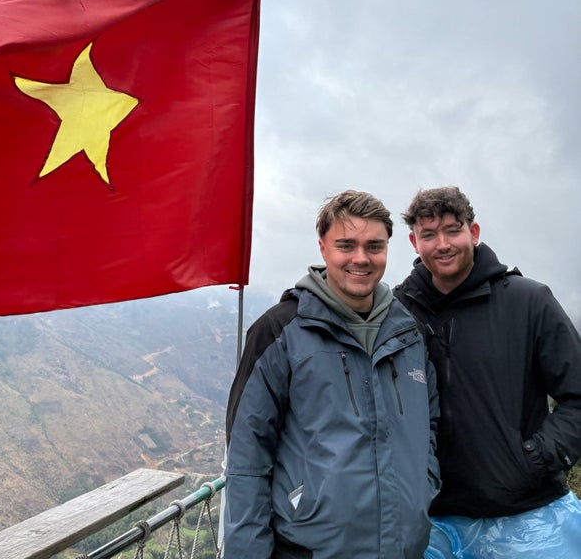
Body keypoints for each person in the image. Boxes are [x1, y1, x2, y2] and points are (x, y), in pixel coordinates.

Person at [223, 190, 440, 559]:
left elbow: (429, 425)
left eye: (374, 246)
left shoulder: (410, 333)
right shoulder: (280, 332)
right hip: (309, 549)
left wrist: (425, 482)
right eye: (346, 245)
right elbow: (247, 456)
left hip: (404, 548)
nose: (361, 258)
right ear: (323, 247)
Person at [394, 186, 581, 558]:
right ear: (415, 242)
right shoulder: (398, 313)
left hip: (524, 513)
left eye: (453, 230)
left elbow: (577, 396)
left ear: (474, 232)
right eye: (429, 235)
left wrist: (536, 457)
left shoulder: (529, 301)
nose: (442, 244)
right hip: (430, 519)